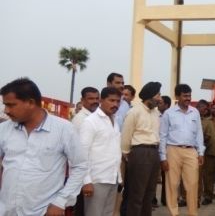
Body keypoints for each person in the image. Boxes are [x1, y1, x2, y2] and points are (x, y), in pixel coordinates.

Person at [0, 78, 88, 216]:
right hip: (7, 210)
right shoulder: (4, 129)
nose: (6, 110)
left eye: (11, 105)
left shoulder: (63, 129)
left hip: (44, 211)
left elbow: (80, 166)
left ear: (30, 103)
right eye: (5, 105)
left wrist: (60, 202)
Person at [159, 84, 205, 216]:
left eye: (189, 96)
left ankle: (193, 213)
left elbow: (199, 134)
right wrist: (163, 157)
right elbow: (162, 136)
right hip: (173, 150)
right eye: (185, 96)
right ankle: (174, 213)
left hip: (191, 151)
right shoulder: (168, 113)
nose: (188, 98)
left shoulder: (195, 112)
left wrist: (201, 152)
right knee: (172, 185)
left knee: (192, 184)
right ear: (177, 96)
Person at [79, 87, 123, 216]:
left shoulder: (114, 121)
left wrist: (118, 176)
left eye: (118, 101)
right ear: (101, 100)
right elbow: (82, 153)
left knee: (108, 213)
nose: (115, 104)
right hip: (96, 179)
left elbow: (114, 150)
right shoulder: (91, 122)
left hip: (112, 177)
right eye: (111, 100)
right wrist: (86, 181)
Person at [121, 81, 162, 216]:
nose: (160, 99)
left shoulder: (156, 113)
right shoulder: (134, 112)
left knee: (150, 194)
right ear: (149, 96)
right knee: (137, 194)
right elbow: (126, 134)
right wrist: (127, 153)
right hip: (139, 153)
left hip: (154, 153)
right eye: (158, 95)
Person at [71, 86, 100, 216]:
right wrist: (85, 180)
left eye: (97, 98)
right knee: (82, 210)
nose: (95, 101)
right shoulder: (80, 120)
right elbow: (79, 152)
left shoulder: (95, 117)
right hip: (83, 175)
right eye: (90, 98)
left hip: (94, 173)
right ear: (82, 100)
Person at [156, 95, 172, 207]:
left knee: (167, 175)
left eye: (161, 103)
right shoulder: (154, 115)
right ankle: (152, 199)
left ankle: (165, 199)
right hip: (153, 149)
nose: (158, 104)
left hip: (167, 150)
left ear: (167, 105)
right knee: (152, 176)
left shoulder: (171, 116)